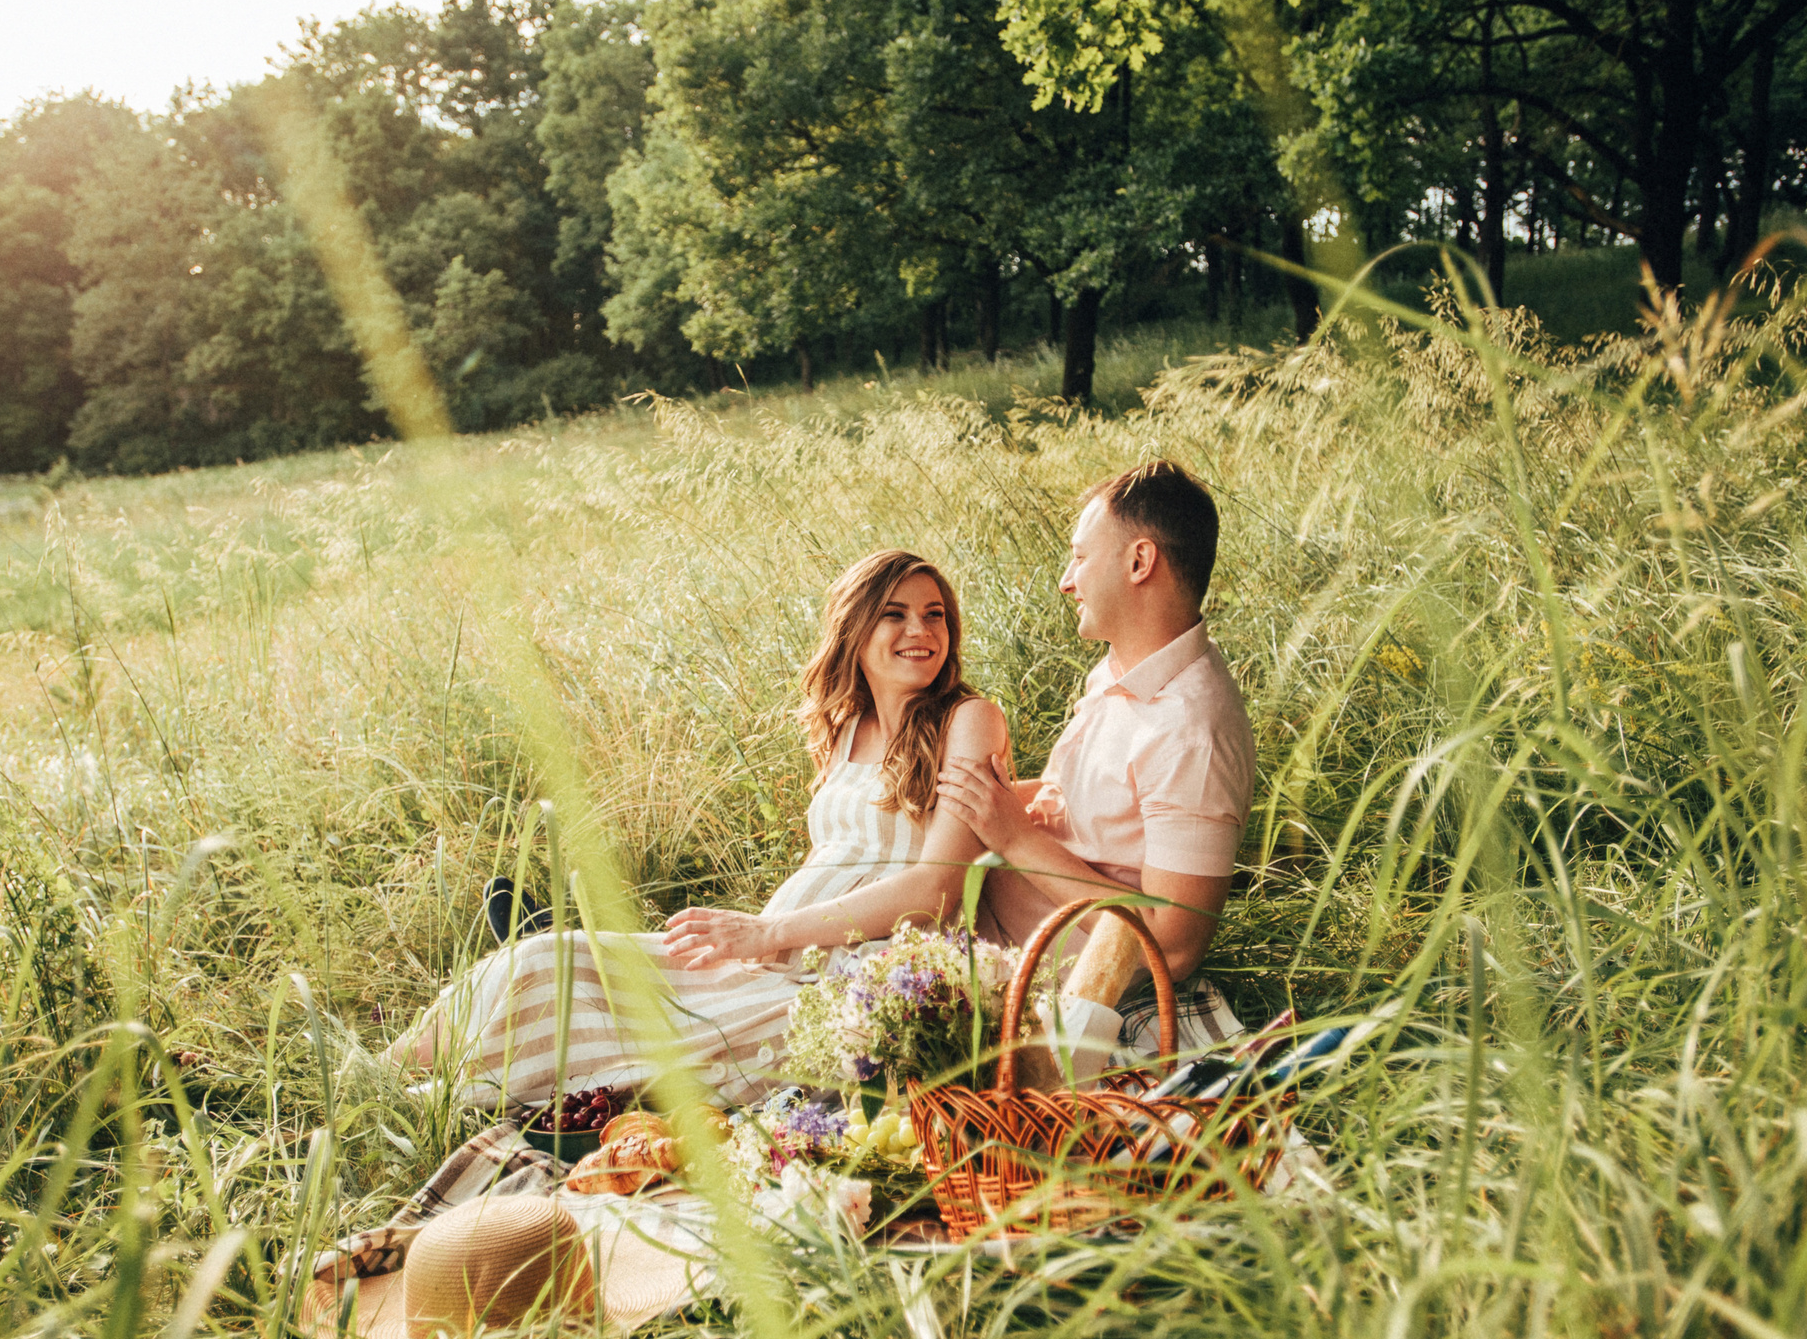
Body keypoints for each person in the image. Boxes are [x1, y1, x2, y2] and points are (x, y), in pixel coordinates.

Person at [389, 549, 1010, 1105]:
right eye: (895, 614)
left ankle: (430, 1097)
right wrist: (764, 941)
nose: (921, 631)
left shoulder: (968, 720)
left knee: (627, 1025)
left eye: (935, 615)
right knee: (544, 959)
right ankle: (380, 1075)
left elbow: (937, 889)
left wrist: (766, 931)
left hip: (859, 978)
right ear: (854, 630)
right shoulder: (847, 729)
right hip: (775, 957)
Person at [934, 459, 1257, 1077]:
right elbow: (1086, 811)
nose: (1065, 580)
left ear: (1140, 563)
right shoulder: (1124, 668)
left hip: (1041, 986)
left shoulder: (1192, 730)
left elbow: (1178, 941)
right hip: (978, 919)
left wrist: (1013, 836)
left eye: (1080, 558)